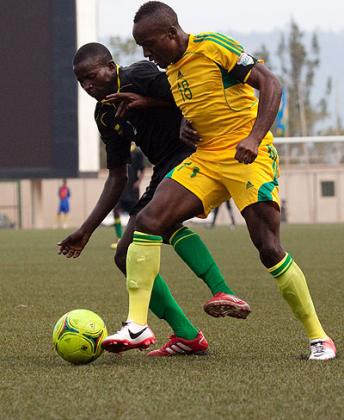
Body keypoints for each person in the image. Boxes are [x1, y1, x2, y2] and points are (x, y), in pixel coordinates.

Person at [104, 1, 336, 360]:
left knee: (269, 248)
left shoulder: (213, 46)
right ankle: (137, 324)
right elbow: (194, 106)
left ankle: (319, 337)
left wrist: (254, 138)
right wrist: (179, 122)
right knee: (149, 221)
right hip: (207, 160)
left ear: (171, 33)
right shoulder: (172, 70)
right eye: (141, 48)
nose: (147, 54)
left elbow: (271, 84)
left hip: (248, 156)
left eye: (150, 44)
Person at [57, 42, 251, 357]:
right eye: (81, 81)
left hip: (193, 156)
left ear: (110, 65)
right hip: (163, 169)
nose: (87, 85)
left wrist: (146, 102)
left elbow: (186, 99)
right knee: (124, 255)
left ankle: (223, 291)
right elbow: (117, 176)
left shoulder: (141, 74)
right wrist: (86, 230)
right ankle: (187, 334)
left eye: (91, 76)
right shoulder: (105, 114)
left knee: (162, 221)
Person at [110, 144, 145, 249]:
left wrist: (138, 182)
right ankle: (119, 236)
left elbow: (142, 170)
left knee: (136, 214)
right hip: (121, 187)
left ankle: (134, 237)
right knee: (116, 210)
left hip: (132, 189)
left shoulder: (137, 152)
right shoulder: (119, 149)